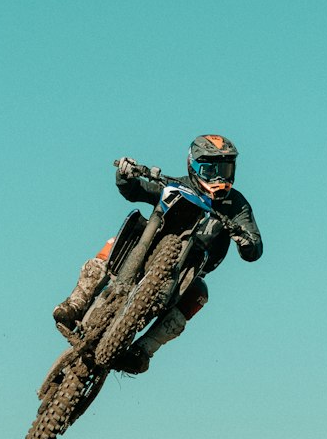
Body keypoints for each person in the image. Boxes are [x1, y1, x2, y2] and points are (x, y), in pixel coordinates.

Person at [52, 134, 263, 374]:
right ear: (194, 166)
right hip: (150, 249)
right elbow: (136, 191)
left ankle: (143, 351)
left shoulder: (237, 205)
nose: (219, 177)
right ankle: (74, 303)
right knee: (113, 242)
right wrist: (125, 175)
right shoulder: (177, 185)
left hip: (190, 270)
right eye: (211, 169)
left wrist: (246, 241)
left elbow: (254, 247)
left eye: (225, 169)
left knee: (200, 294)